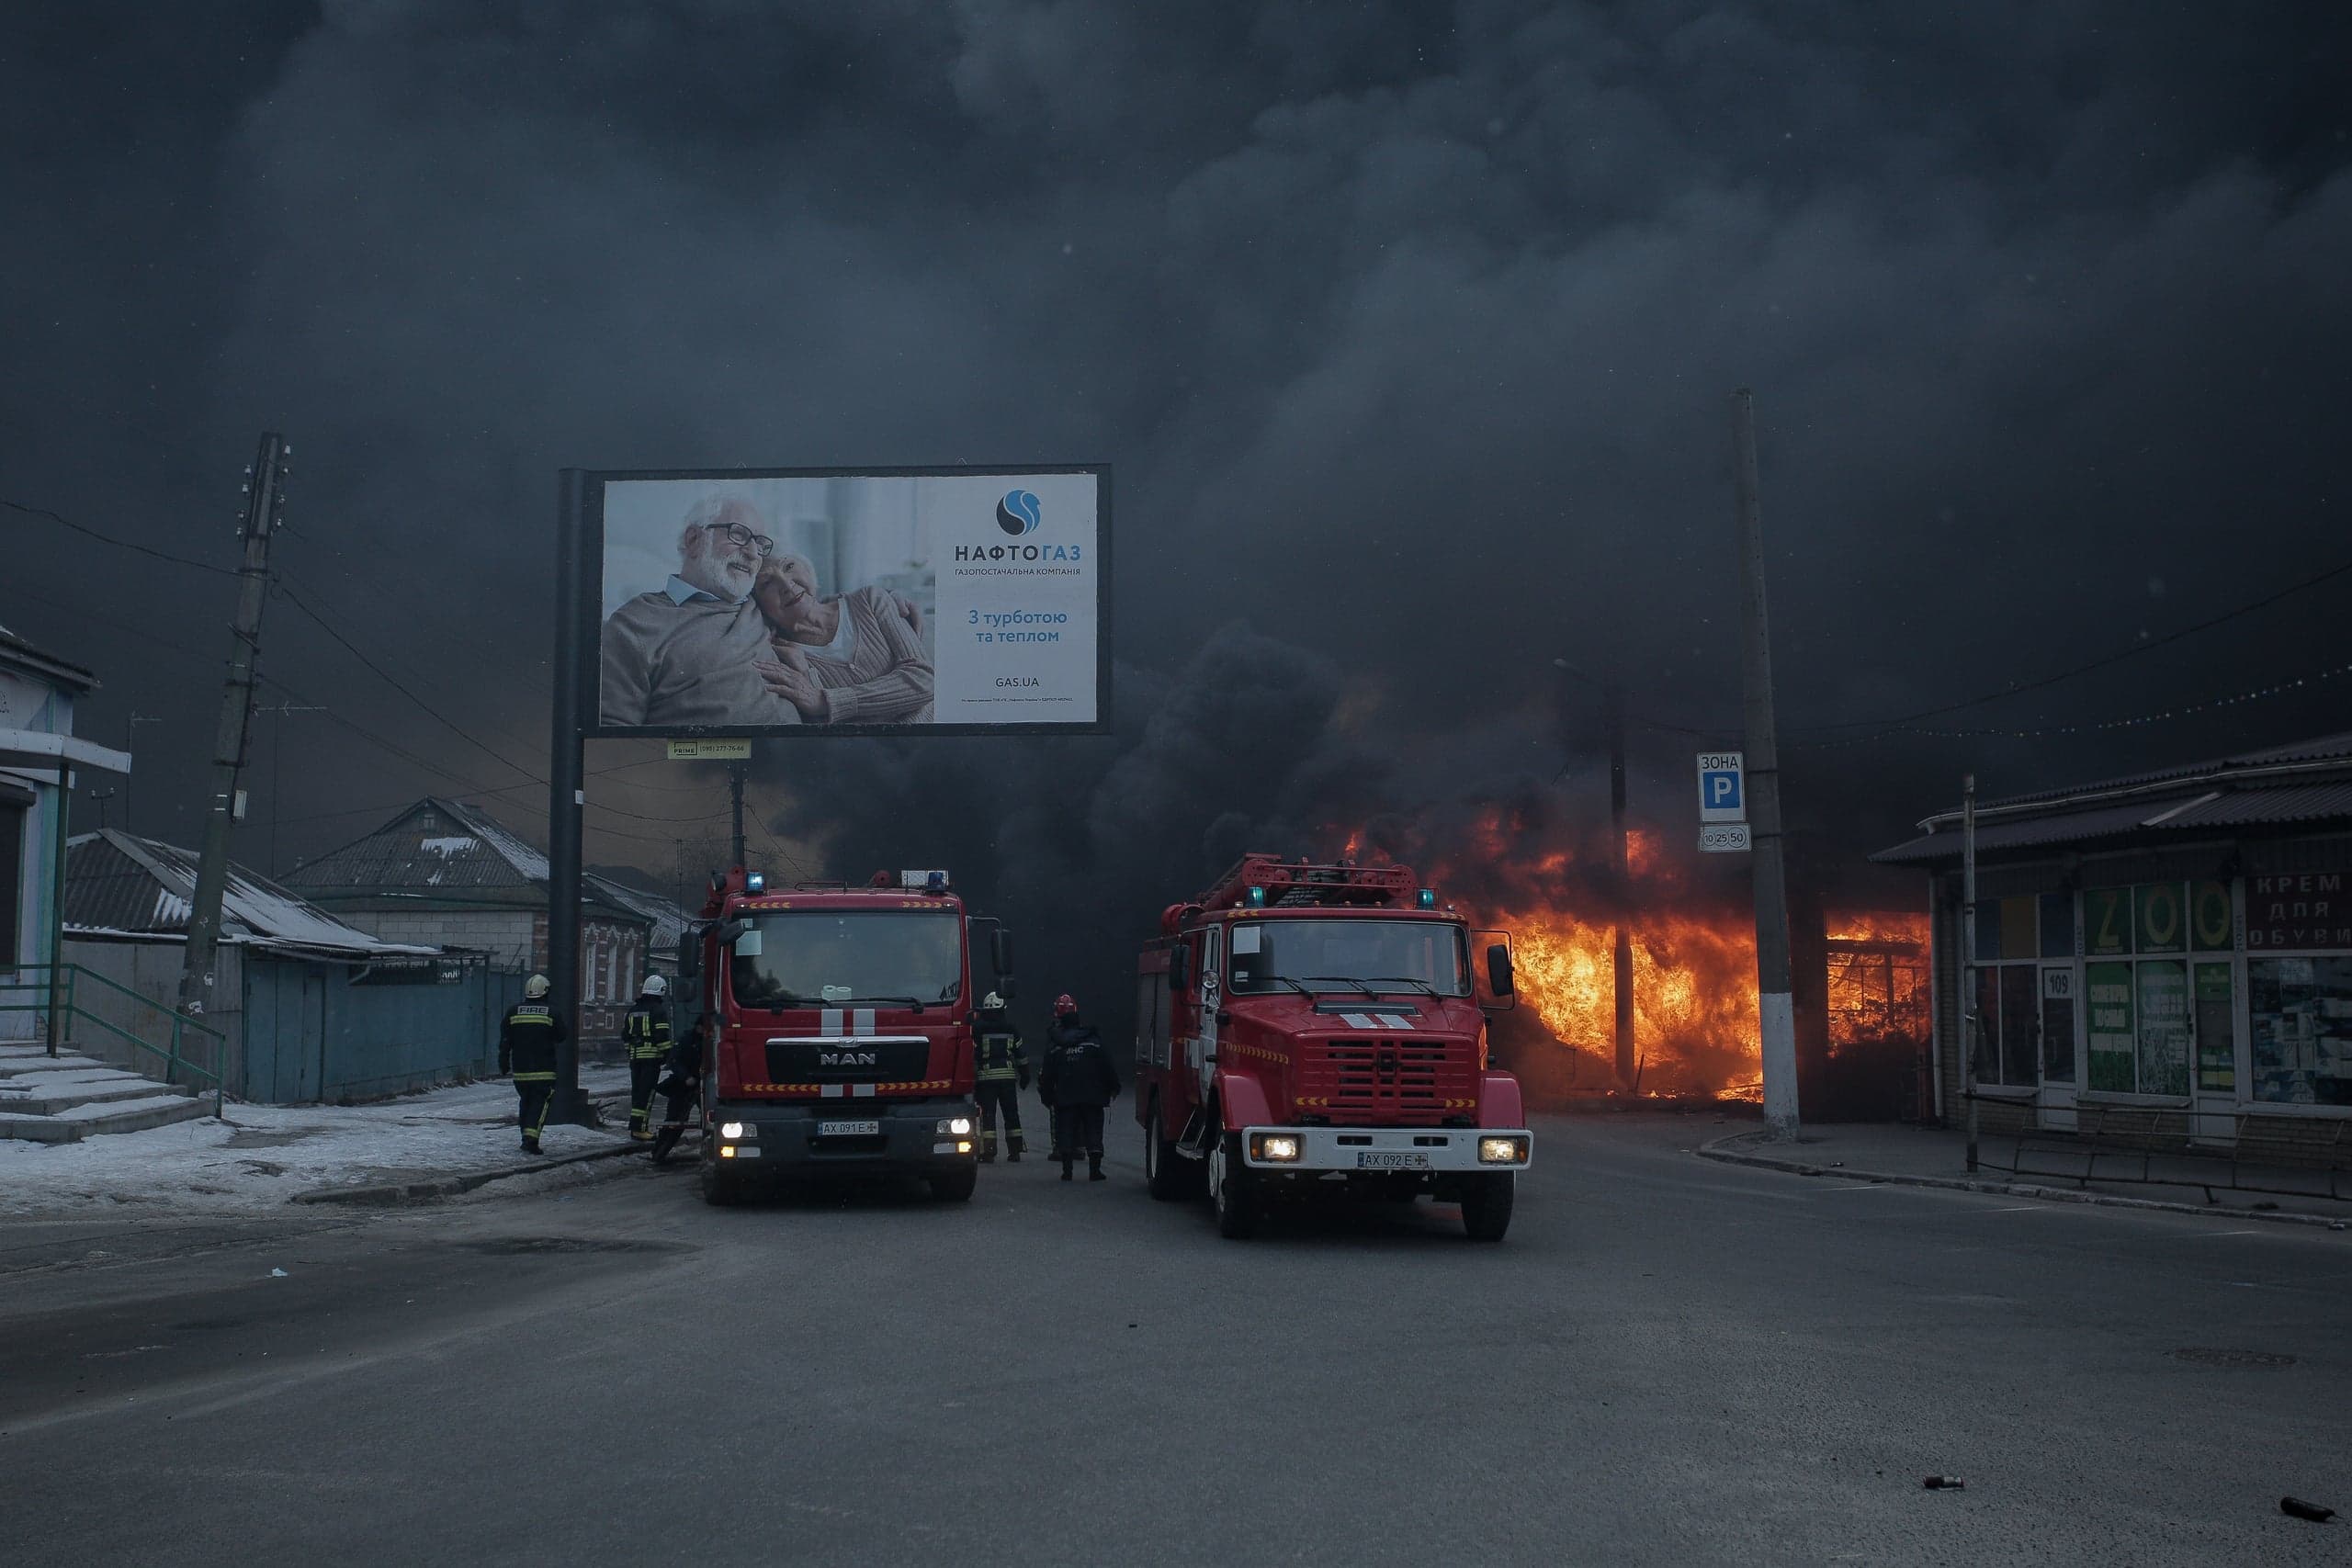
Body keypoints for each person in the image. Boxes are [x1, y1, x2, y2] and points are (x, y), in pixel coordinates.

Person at [599, 496, 808, 728]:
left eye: (759, 543)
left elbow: (817, 605)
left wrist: (810, 678)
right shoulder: (633, 624)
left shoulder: (763, 602)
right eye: (738, 535)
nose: (752, 553)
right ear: (694, 539)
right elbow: (613, 733)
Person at [750, 554, 934, 725]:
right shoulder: (783, 657)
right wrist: (806, 674)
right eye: (767, 583)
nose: (786, 584)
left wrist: (826, 701)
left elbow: (924, 680)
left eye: (789, 566)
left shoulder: (869, 600)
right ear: (759, 606)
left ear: (808, 569)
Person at [1040, 993, 1119, 1182]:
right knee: (1093, 1131)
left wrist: (1047, 1096)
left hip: (1065, 1097)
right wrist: (1114, 1086)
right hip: (1093, 1095)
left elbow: (1048, 1074)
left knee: (1065, 1130)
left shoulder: (1056, 1046)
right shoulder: (1093, 1042)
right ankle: (1095, 1171)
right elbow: (1106, 1066)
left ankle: (1067, 1172)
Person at [498, 974, 567, 1156]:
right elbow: (561, 1036)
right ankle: (531, 1140)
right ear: (545, 991)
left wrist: (503, 1061)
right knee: (540, 1104)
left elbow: (505, 1040)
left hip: (520, 1071)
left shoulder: (513, 1012)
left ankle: (525, 1136)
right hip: (544, 1070)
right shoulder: (552, 1012)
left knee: (526, 1102)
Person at [970, 992, 1028, 1163]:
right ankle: (1015, 1150)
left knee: (987, 1115)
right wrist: (1025, 1075)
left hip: (986, 1078)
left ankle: (988, 1151)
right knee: (1011, 1114)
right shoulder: (1011, 1028)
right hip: (1007, 1077)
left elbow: (971, 1054)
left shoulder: (977, 1028)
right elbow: (1021, 1055)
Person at [621, 973, 673, 1144]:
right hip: (651, 1059)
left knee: (637, 1093)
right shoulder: (658, 1010)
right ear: (661, 991)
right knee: (647, 1094)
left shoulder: (633, 1010)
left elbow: (625, 1036)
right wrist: (669, 1057)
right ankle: (640, 1129)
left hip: (635, 1059)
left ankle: (635, 1127)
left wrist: (631, 1053)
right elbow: (661, 1037)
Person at [650, 1016, 707, 1166]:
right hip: (684, 1085)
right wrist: (686, 1077)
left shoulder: (710, 1041)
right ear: (699, 1027)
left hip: (705, 1085)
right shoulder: (687, 1040)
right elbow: (674, 1061)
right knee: (675, 1120)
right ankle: (658, 1152)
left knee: (710, 1120)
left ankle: (710, 1151)